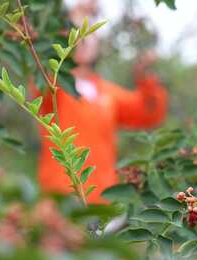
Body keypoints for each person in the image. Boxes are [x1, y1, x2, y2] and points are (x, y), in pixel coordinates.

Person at [36, 0, 168, 204]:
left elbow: (149, 114)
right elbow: (39, 69)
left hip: (102, 202)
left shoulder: (108, 92)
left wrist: (146, 75)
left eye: (91, 31)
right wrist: (71, 21)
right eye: (78, 31)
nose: (85, 37)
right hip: (61, 201)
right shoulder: (53, 86)